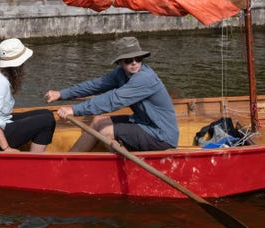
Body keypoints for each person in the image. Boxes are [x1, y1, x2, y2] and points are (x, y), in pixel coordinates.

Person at [45, 36, 178, 152]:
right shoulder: (120, 73)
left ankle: (129, 172)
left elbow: (112, 100)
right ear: (120, 62)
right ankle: (69, 162)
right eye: (128, 60)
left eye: (138, 58)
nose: (134, 63)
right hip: (141, 122)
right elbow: (96, 85)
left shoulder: (145, 78)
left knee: (106, 132)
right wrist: (61, 94)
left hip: (161, 135)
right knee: (98, 121)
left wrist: (74, 110)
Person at [0, 38, 55, 153]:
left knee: (46, 113)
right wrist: (7, 149)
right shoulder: (0, 82)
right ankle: (34, 161)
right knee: (47, 121)